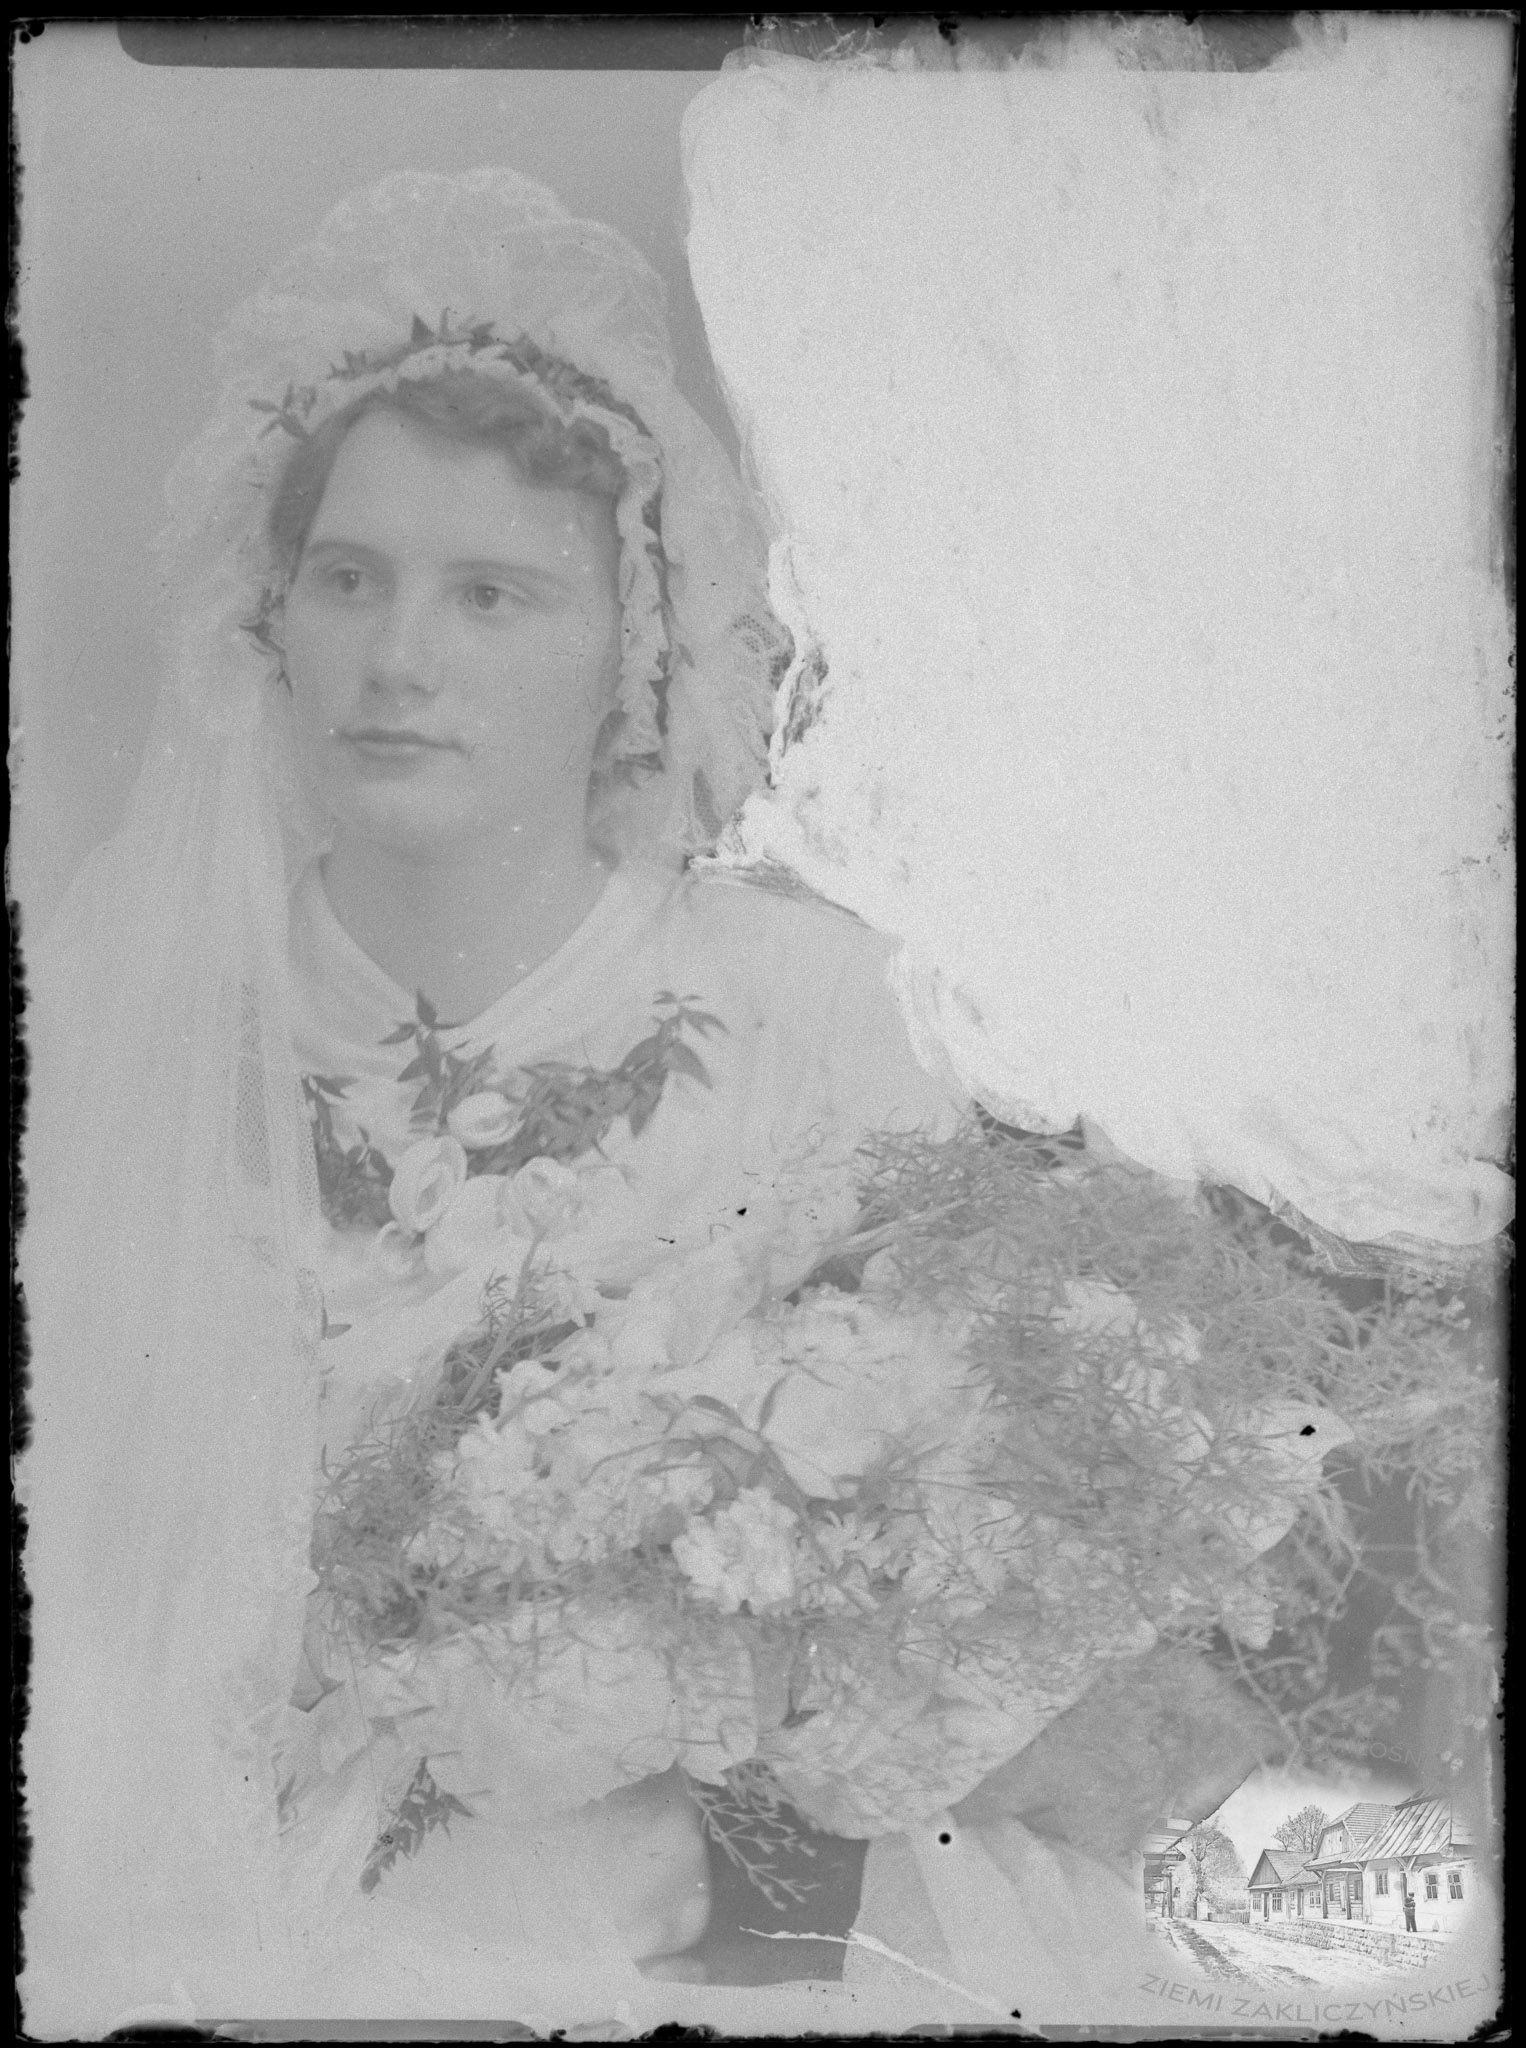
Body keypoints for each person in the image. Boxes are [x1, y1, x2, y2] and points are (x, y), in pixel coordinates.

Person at [21, 167, 1276, 2033]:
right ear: (270, 613)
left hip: (721, 1863)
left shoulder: (810, 1012)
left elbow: (978, 1556)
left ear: (635, 639)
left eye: (493, 595)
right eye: (349, 578)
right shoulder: (119, 1018)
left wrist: (717, 1777)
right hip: (221, 1840)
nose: (398, 659)